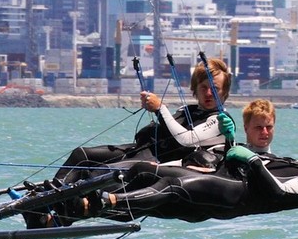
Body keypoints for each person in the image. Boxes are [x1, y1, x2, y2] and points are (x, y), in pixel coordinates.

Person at [82, 119, 298, 223]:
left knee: (171, 188)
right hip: (222, 181)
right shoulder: (288, 160)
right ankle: (76, 207)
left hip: (237, 196)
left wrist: (252, 161)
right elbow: (244, 159)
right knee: (143, 171)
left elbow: (277, 194)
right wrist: (232, 144)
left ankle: (107, 201)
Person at [53, 57, 235, 185]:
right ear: (195, 88)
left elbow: (187, 139)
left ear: (225, 92)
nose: (209, 93)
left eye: (215, 89)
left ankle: (65, 203)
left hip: (158, 163)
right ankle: (52, 190)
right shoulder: (186, 110)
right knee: (82, 155)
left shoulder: (221, 120)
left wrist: (160, 108)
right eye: (204, 87)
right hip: (140, 151)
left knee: (102, 171)